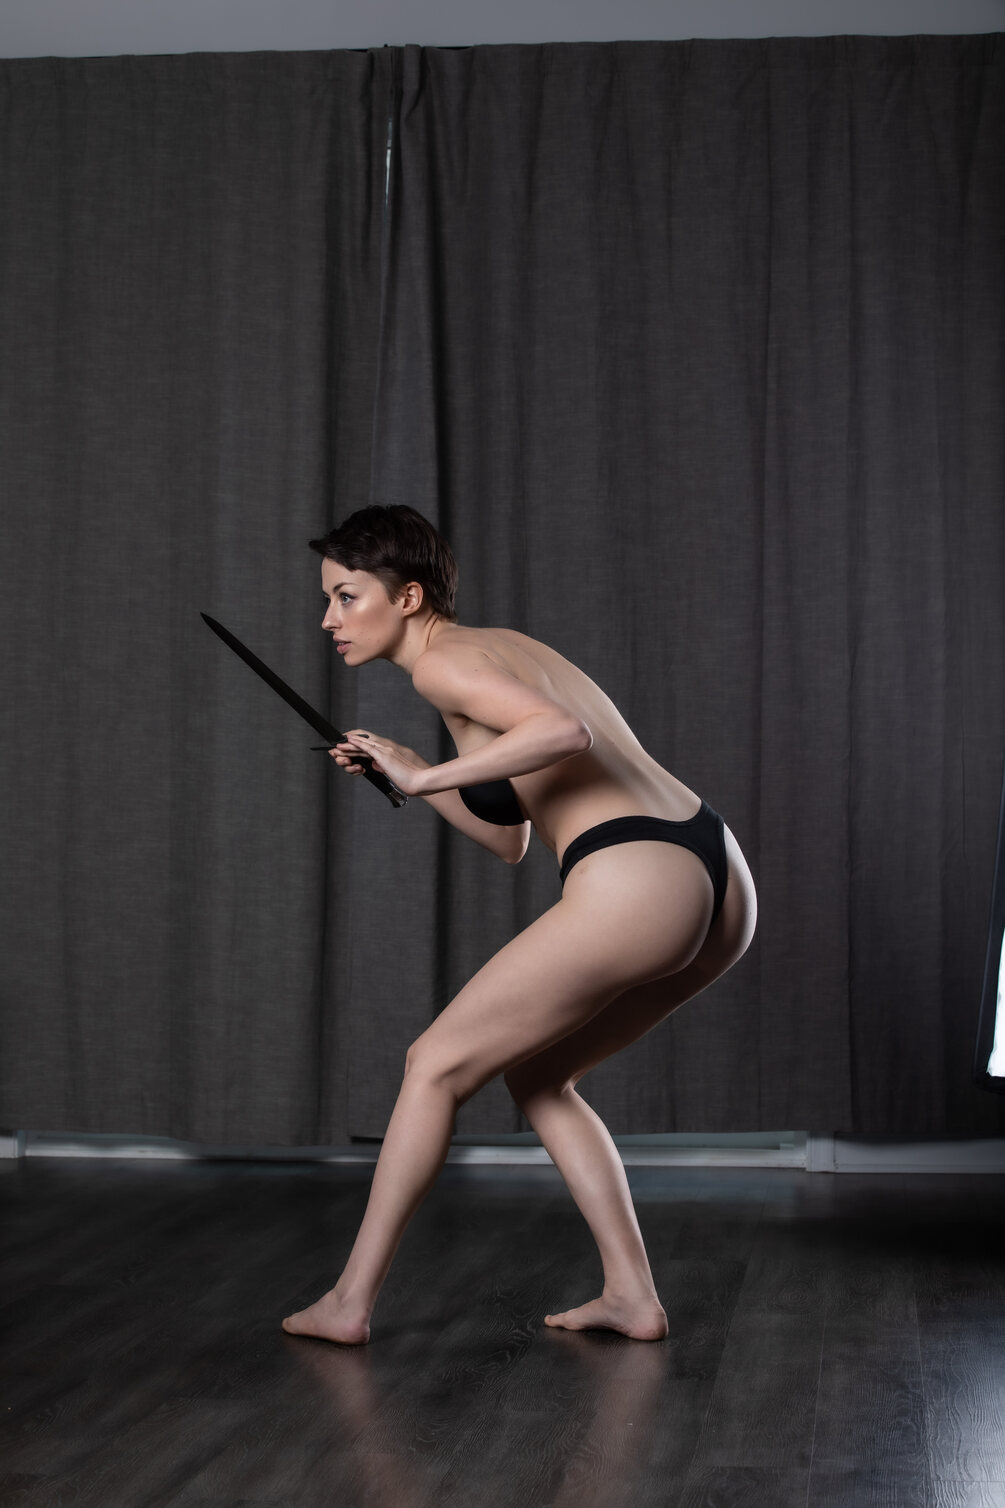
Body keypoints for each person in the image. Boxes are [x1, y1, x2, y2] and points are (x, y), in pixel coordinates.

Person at [282, 505, 756, 1345]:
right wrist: (415, 771)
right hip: (712, 872)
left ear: (407, 597)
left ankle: (348, 1303)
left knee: (432, 1065)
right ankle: (630, 1295)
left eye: (345, 596)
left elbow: (562, 734)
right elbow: (509, 838)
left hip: (637, 873)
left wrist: (422, 780)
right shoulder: (494, 649)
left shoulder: (443, 666)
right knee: (540, 1077)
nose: (329, 619)